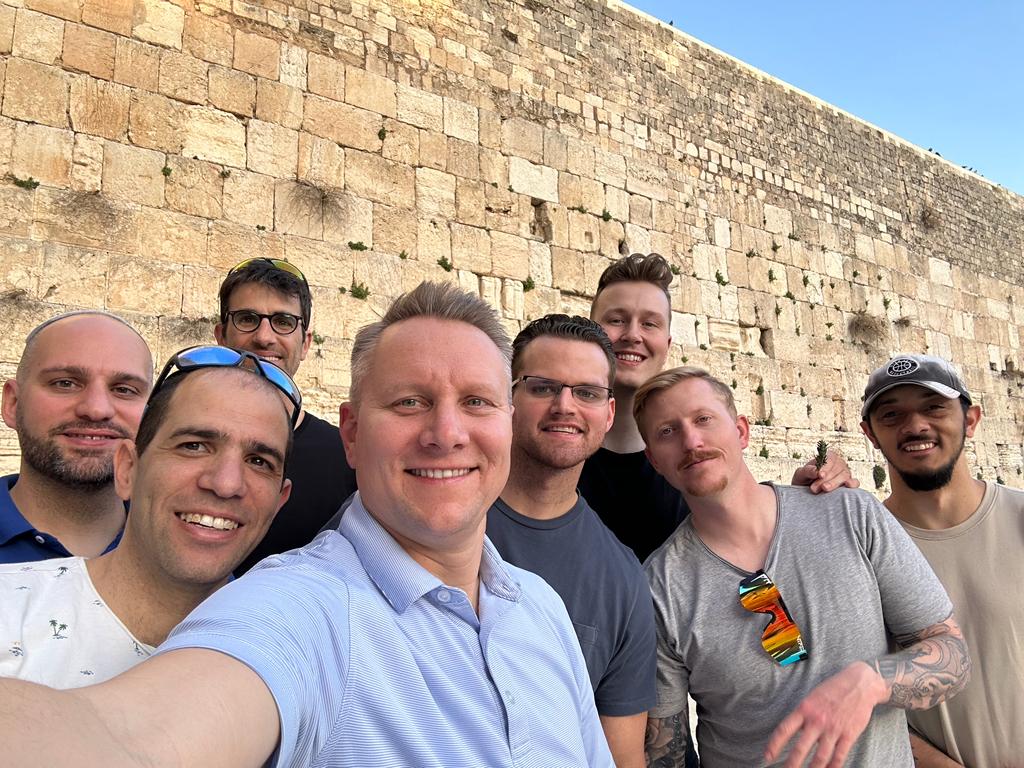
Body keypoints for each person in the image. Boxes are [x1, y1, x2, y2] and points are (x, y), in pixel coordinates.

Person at [0, 282, 613, 768]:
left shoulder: (540, 608)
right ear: (350, 433)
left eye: (476, 402)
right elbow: (131, 739)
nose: (447, 433)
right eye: (409, 402)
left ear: (507, 424)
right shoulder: (302, 606)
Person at [637, 366, 970, 767]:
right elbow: (665, 752)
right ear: (654, 460)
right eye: (668, 432)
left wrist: (872, 682)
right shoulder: (659, 587)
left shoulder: (852, 515)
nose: (692, 440)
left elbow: (952, 655)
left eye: (703, 419)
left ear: (742, 431)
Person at [0, 346, 296, 687]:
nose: (226, 484)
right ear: (127, 469)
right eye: (193, 445)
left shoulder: (298, 661)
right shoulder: (11, 609)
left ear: (278, 502)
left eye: (259, 461)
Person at [580, 253, 855, 561]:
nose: (632, 335)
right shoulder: (555, 451)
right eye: (616, 320)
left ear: (667, 344)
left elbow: (750, 532)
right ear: (593, 335)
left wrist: (807, 498)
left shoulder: (699, 455)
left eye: (649, 323)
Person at [484, 314, 655, 767]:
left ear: (608, 412)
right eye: (542, 387)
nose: (565, 405)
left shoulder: (623, 581)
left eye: (587, 393)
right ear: (509, 398)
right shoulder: (430, 513)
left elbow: (620, 756)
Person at [861, 354, 1024, 767]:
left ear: (970, 419)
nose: (915, 426)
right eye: (892, 414)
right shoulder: (861, 551)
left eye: (934, 407)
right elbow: (851, 689)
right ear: (870, 434)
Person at [214, 257, 356, 573]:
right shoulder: (179, 441)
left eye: (283, 322)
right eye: (247, 318)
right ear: (221, 336)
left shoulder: (345, 459)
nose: (265, 337)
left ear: (304, 343)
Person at [1, 311, 153, 563]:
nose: (96, 409)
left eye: (124, 389)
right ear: (13, 404)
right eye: (65, 383)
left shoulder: (193, 560)